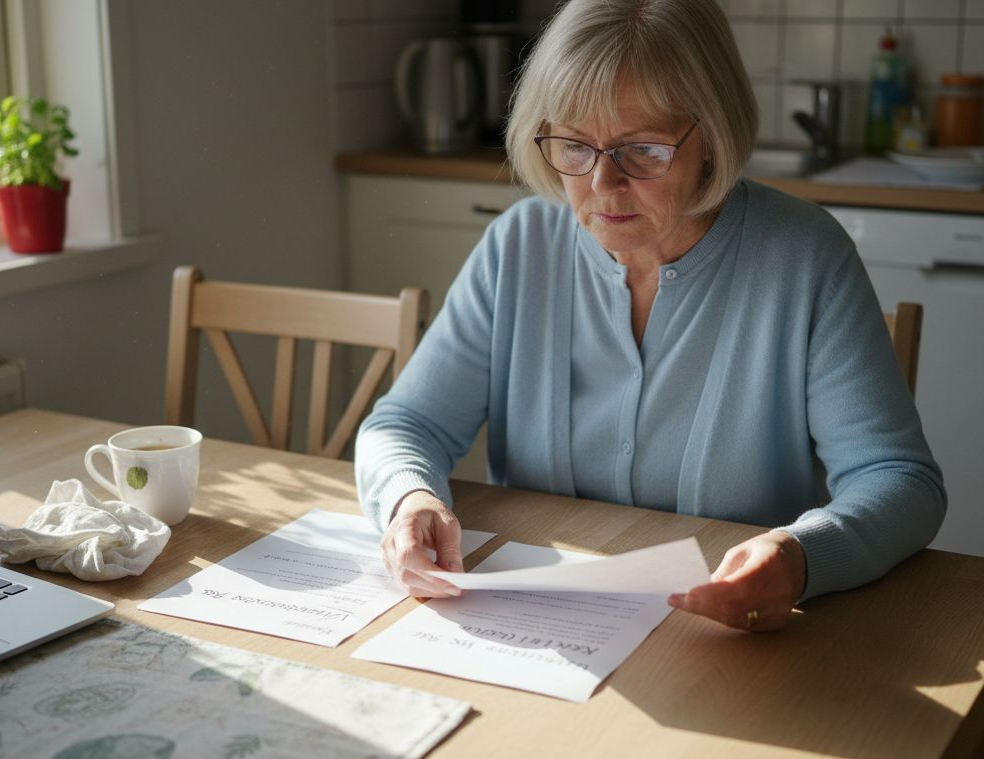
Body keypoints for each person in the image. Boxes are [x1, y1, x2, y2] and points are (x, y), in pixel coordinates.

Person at [355, 0, 946, 632]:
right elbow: (407, 423)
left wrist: (801, 556)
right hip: (540, 625)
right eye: (574, 145)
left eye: (643, 150)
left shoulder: (805, 257)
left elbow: (898, 480)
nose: (603, 182)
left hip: (721, 636)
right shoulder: (518, 245)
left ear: (712, 137)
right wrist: (409, 497)